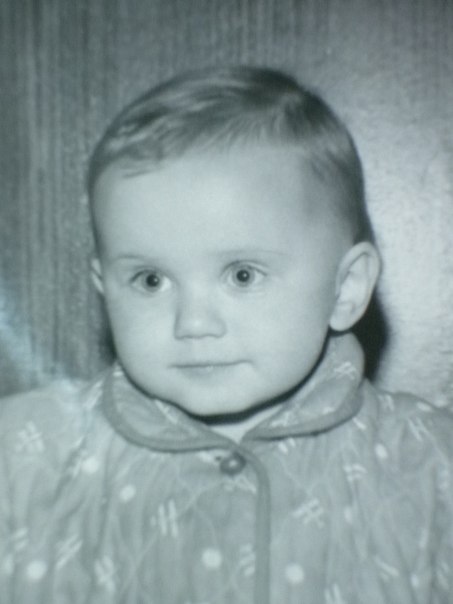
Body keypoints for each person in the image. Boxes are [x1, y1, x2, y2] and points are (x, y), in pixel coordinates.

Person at [1, 66, 452, 604]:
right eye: (150, 280)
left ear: (346, 288)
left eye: (242, 275)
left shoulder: (433, 466)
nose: (193, 324)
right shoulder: (23, 458)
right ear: (104, 288)